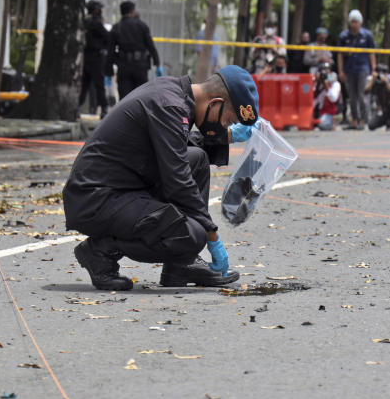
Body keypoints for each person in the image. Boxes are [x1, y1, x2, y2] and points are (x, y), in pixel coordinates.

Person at [63, 65, 261, 290]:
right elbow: (177, 178)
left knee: (196, 159)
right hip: (94, 198)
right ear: (215, 103)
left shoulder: (174, 94)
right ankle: (99, 250)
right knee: (193, 235)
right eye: (227, 120)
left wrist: (227, 136)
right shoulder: (170, 105)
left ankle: (180, 265)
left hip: (118, 188)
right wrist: (211, 234)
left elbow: (174, 147)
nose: (224, 125)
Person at [108, 0, 161, 101]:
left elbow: (110, 51)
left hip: (124, 67)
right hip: (140, 67)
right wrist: (157, 64)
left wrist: (108, 71)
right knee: (140, 98)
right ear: (132, 12)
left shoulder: (116, 27)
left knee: (124, 100)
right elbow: (151, 46)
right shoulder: (142, 26)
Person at [337, 9, 377, 130]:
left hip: (363, 68)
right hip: (349, 69)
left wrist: (373, 69)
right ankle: (354, 119)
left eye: (356, 22)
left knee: (363, 94)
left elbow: (372, 53)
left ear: (360, 22)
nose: (354, 24)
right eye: (352, 21)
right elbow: (339, 54)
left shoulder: (367, 35)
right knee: (352, 96)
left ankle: (364, 120)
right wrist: (340, 71)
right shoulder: (344, 36)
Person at [79, 0, 110, 118]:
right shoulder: (96, 22)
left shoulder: (85, 21)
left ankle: (77, 106)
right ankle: (104, 109)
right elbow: (108, 37)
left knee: (85, 85)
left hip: (86, 57)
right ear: (96, 10)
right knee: (99, 85)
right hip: (96, 58)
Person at [367, 63, 390, 131]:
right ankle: (386, 121)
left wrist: (387, 82)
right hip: (383, 110)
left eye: (383, 73)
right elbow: (365, 91)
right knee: (371, 125)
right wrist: (373, 81)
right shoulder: (374, 79)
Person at [313, 62, 341, 131]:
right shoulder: (318, 84)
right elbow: (313, 100)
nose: (325, 72)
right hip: (318, 112)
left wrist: (326, 87)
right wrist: (315, 81)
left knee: (323, 125)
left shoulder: (335, 84)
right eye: (323, 70)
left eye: (327, 69)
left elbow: (333, 99)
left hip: (329, 112)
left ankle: (332, 123)